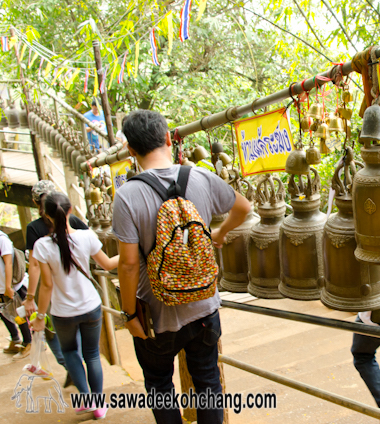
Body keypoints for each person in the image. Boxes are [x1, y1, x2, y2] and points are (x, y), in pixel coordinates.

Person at [112, 109, 252, 424]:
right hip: (204, 306)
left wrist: (130, 314)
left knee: (160, 385)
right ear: (166, 139)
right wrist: (219, 233)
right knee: (207, 384)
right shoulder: (201, 177)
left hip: (156, 314)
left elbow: (130, 264)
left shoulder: (127, 196)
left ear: (131, 151)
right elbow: (244, 207)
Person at [31, 192, 119, 420]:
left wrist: (40, 316)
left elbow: (47, 286)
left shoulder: (41, 246)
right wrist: (132, 251)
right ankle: (99, 407)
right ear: (70, 210)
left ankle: (86, 399)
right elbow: (108, 265)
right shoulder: (86, 236)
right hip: (91, 307)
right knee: (92, 355)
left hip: (62, 313)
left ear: (46, 216)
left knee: (70, 352)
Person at [23, 179, 89, 387]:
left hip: (50, 292)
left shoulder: (34, 228)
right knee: (81, 336)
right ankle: (78, 368)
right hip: (79, 289)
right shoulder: (74, 221)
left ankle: (71, 367)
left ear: (36, 204)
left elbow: (34, 266)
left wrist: (30, 298)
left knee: (52, 334)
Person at [0, 231, 32, 360]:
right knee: (4, 312)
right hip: (1, 287)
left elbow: (8, 263)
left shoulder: (2, 239)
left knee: (19, 314)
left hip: (11, 286)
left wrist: (8, 287)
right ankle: (15, 338)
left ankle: (28, 342)